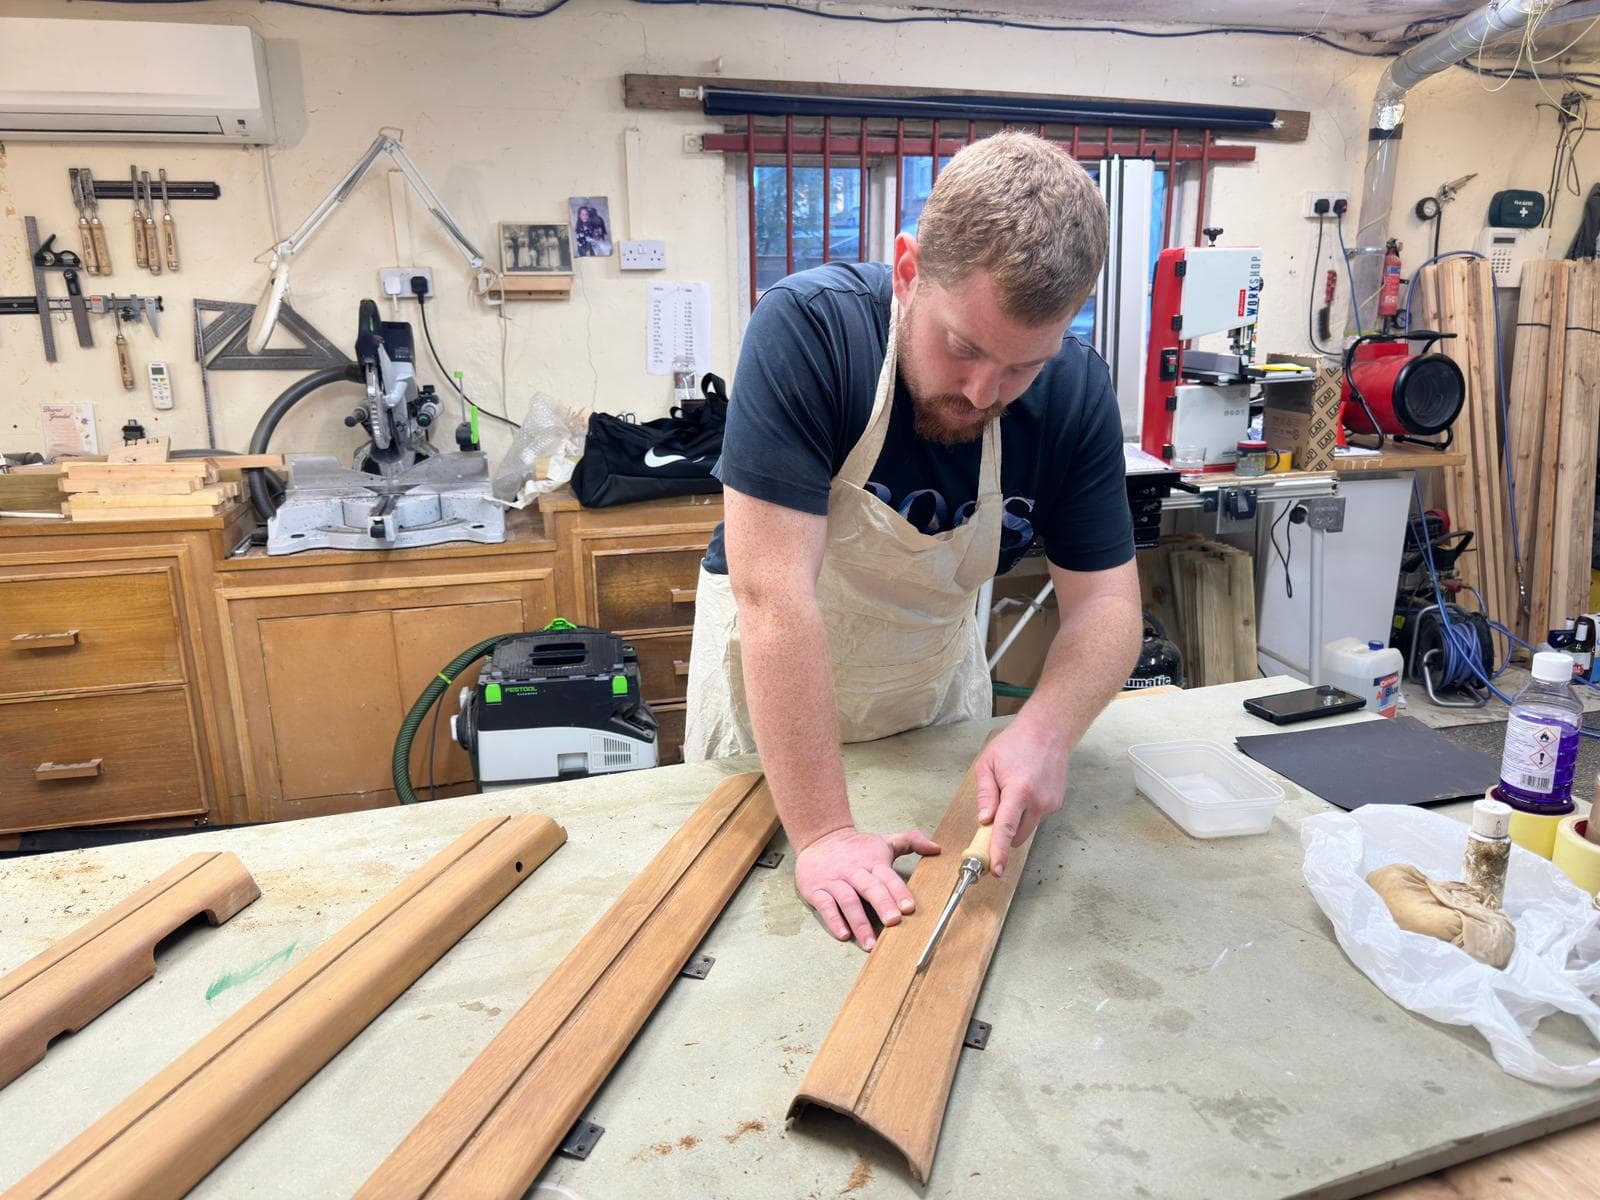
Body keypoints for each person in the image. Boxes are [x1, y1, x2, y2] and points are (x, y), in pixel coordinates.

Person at [683, 132, 1142, 950]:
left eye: (1022, 367)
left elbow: (1106, 604)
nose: (982, 392)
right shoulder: (811, 333)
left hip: (928, 690)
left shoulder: (1075, 394)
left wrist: (1046, 728)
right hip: (777, 710)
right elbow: (774, 597)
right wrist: (823, 834)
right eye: (963, 347)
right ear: (907, 271)